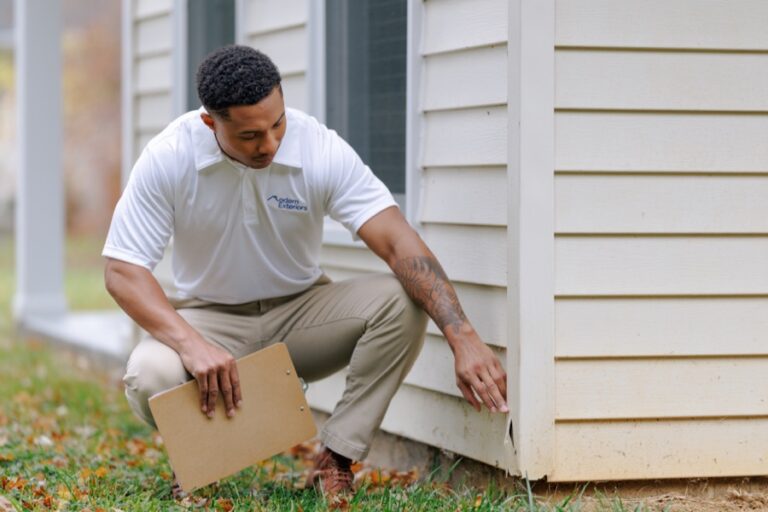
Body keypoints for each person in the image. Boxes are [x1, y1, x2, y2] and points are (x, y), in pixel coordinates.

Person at [103, 45, 507, 498]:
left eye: (277, 124)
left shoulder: (317, 146)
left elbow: (397, 242)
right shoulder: (168, 156)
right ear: (210, 123)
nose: (270, 144)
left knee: (401, 303)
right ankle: (202, 456)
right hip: (209, 318)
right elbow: (122, 270)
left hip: (301, 315)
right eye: (251, 136)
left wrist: (464, 337)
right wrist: (191, 345)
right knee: (148, 373)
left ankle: (335, 457)